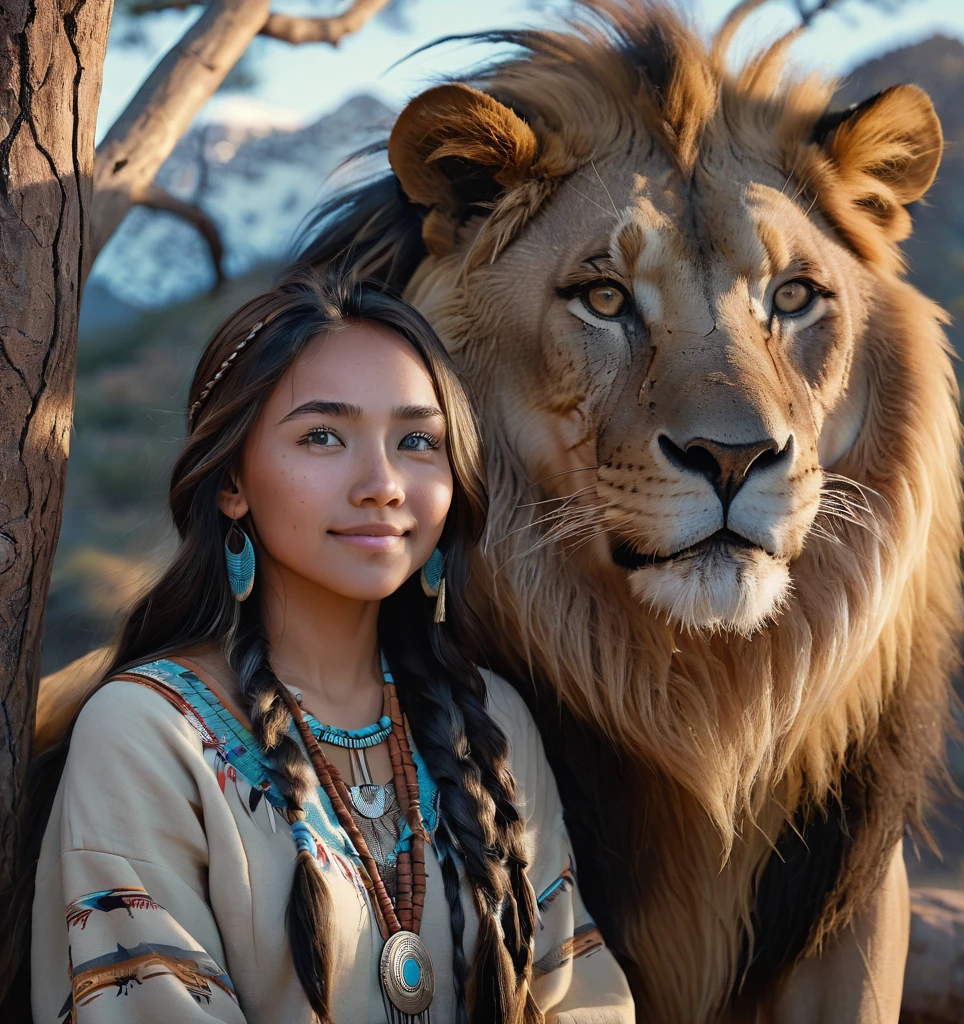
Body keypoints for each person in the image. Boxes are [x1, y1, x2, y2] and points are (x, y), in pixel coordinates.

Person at [30, 273, 634, 1024]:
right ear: (232, 483)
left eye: (418, 441)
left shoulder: (489, 723)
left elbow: (580, 998)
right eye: (323, 436)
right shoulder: (148, 736)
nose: (383, 484)